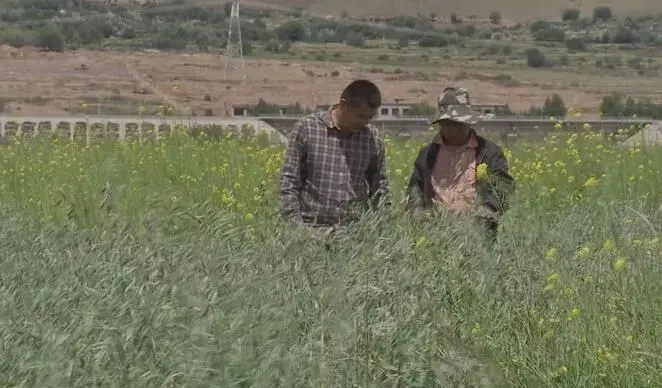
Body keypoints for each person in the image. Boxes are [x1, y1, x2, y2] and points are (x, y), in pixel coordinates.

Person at [279, 79, 391, 238]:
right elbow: (289, 181)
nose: (363, 122)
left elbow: (380, 186)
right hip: (311, 230)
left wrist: (380, 229)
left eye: (369, 117)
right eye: (359, 115)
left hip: (355, 234)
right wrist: (297, 228)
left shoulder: (372, 138)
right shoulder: (308, 129)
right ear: (343, 103)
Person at [405, 87, 515, 243]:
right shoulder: (427, 154)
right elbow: (415, 189)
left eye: (458, 123)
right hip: (435, 237)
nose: (452, 129)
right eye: (447, 123)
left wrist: (484, 217)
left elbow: (503, 189)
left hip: (478, 239)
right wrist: (419, 217)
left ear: (468, 122)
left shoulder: (489, 153)